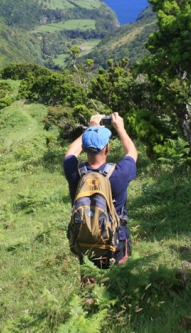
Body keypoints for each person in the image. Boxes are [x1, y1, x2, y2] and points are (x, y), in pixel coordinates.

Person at [63, 113, 138, 268]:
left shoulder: (73, 171)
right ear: (107, 148)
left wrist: (91, 129)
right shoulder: (119, 173)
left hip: (84, 238)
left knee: (90, 275)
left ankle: (90, 283)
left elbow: (71, 153)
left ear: (84, 148)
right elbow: (132, 153)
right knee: (119, 277)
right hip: (116, 238)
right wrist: (120, 128)